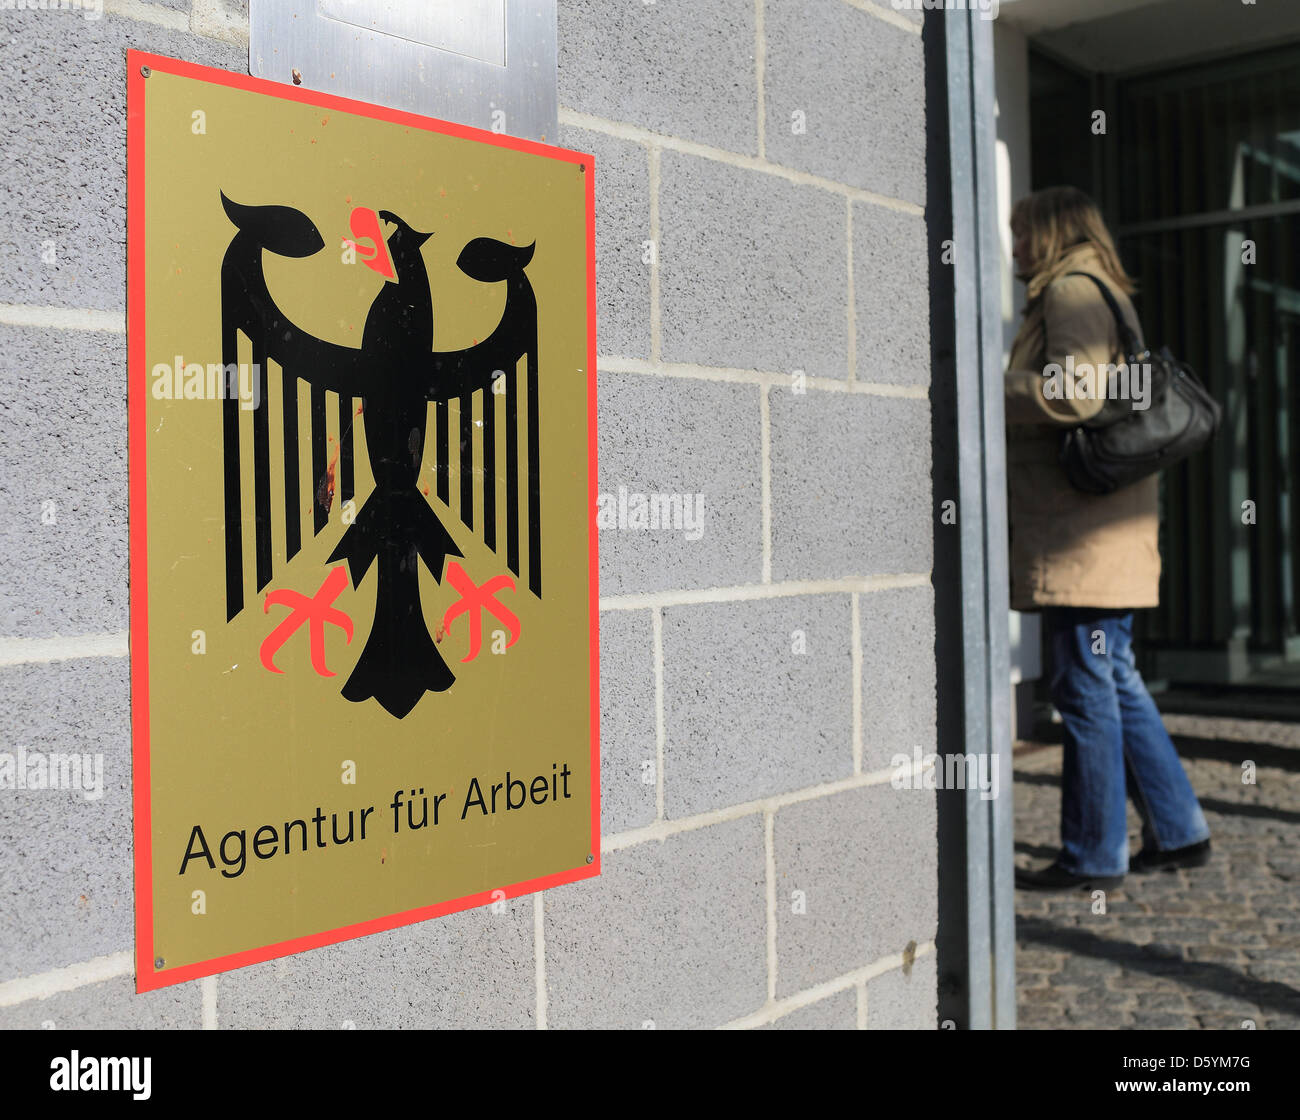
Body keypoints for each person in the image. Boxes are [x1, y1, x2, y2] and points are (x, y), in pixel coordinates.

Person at [1004, 186, 1211, 891]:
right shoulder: (1096, 287)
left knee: (1083, 684)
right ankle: (1179, 831)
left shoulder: (1070, 291)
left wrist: (992, 387)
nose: (1013, 243)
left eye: (1021, 229)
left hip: (1081, 536)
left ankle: (1094, 854)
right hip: (1096, 532)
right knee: (1111, 678)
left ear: (1052, 232)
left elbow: (1076, 394)